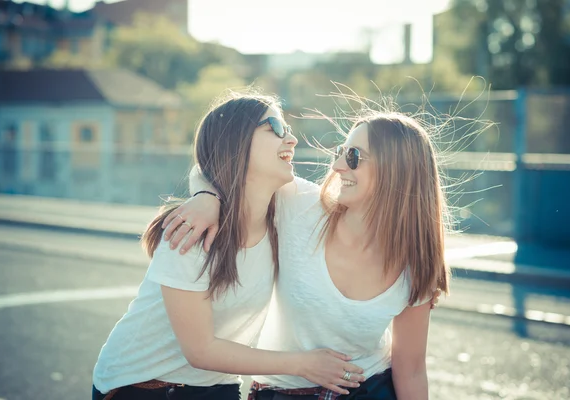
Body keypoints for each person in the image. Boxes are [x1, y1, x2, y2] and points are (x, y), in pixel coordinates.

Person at [163, 104, 449, 399]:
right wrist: (207, 196)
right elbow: (225, 165)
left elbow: (411, 369)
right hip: (283, 392)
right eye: (340, 152)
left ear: (397, 170)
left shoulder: (416, 264)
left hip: (371, 388)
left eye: (353, 157)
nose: (337, 166)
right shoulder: (299, 205)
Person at [91, 91, 365, 400]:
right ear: (235, 142)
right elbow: (200, 350)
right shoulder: (191, 229)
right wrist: (304, 365)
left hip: (216, 384)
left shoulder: (289, 202)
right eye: (275, 127)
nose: (291, 139)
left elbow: (356, 211)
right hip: (142, 386)